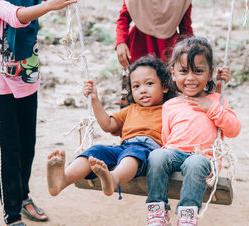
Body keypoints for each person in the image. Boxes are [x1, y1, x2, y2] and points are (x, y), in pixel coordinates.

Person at [0, 0, 77, 226]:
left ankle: (22, 197)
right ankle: (11, 217)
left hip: (27, 79)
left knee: (27, 145)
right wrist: (51, 6)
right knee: (8, 151)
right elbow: (16, 16)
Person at [141, 37, 242, 226]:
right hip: (174, 154)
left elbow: (233, 129)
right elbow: (167, 137)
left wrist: (211, 107)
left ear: (210, 72)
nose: (190, 78)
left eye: (198, 71)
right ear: (173, 73)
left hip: (202, 157)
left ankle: (187, 219)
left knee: (195, 162)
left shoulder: (216, 101)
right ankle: (158, 215)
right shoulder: (170, 105)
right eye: (184, 71)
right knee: (157, 155)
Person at [46, 56, 176, 198]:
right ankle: (63, 179)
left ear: (164, 86)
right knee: (96, 151)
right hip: (123, 147)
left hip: (148, 152)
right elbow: (107, 125)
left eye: (149, 84)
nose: (142, 90)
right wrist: (94, 99)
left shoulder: (171, 109)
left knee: (133, 154)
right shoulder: (131, 109)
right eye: (136, 86)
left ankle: (114, 178)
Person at [115, 0, 194, 108]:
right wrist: (121, 42)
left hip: (168, 53)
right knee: (134, 95)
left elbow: (185, 28)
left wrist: (191, 50)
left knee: (168, 96)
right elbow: (123, 19)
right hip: (139, 48)